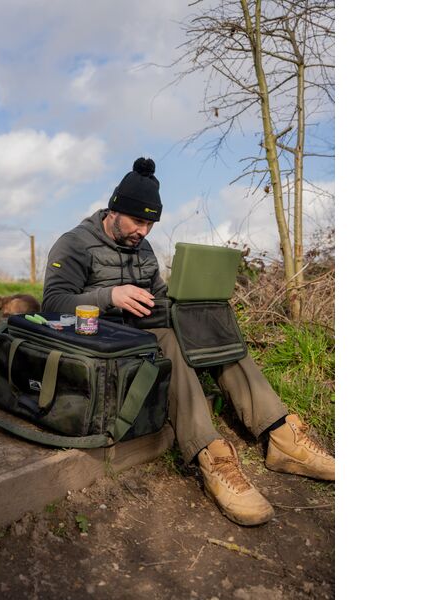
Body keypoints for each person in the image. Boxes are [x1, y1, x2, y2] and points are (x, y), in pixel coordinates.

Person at [42, 157, 334, 526]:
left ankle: (281, 433)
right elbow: (52, 304)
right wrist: (110, 296)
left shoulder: (143, 249)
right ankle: (211, 454)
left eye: (150, 224)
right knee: (167, 338)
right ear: (114, 210)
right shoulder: (74, 244)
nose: (143, 231)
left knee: (209, 325)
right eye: (137, 221)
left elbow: (158, 295)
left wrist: (187, 303)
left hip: (142, 328)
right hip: (100, 339)